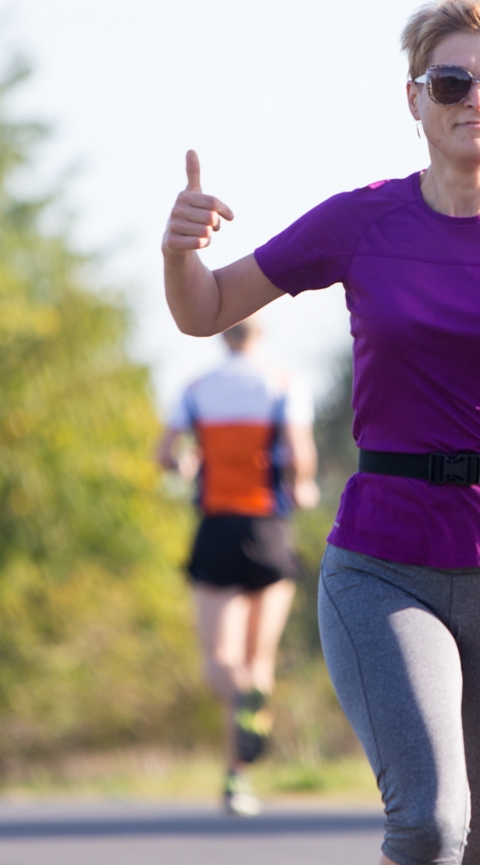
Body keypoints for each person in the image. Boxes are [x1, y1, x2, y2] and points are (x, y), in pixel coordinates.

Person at [161, 0, 480, 865]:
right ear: (415, 100)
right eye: (452, 81)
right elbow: (206, 310)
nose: (476, 99)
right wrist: (179, 252)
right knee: (431, 824)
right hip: (383, 561)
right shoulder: (361, 221)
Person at [155, 317, 318, 816]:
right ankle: (238, 778)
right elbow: (300, 456)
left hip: (217, 528)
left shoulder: (198, 387)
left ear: (223, 336)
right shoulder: (283, 384)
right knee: (258, 658)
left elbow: (165, 455)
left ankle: (239, 744)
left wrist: (185, 467)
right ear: (261, 335)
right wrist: (303, 484)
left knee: (219, 658)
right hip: (269, 529)